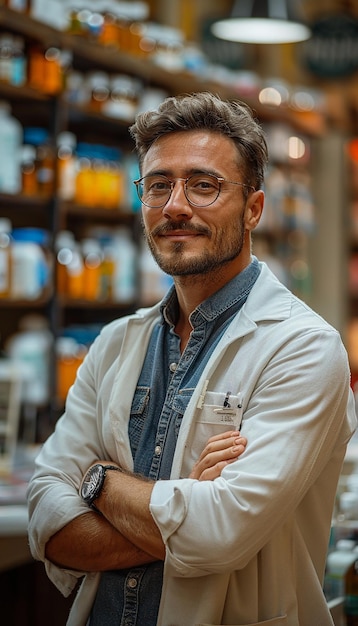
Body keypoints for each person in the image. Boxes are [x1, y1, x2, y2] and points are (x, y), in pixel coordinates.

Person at [27, 91, 356, 626]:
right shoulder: (114, 343)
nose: (175, 206)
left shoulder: (303, 347)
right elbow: (47, 519)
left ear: (253, 208)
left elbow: (220, 534)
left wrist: (98, 481)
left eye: (203, 185)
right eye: (158, 185)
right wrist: (185, 509)